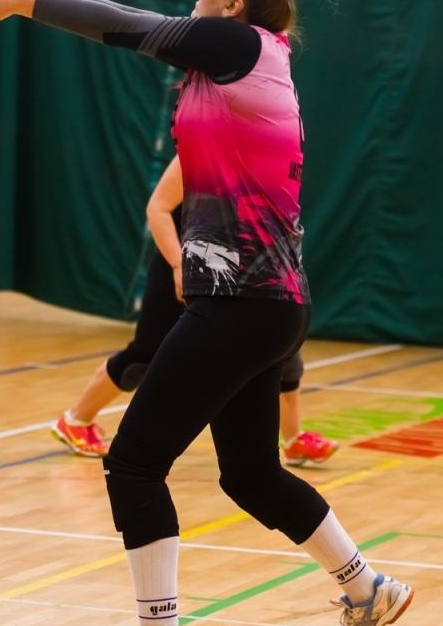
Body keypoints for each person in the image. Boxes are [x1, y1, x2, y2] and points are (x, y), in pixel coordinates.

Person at [0, 0, 412, 626]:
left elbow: (123, 24)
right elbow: (130, 20)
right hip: (269, 303)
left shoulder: (235, 44)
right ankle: (367, 589)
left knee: (133, 463)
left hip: (243, 303)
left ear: (234, 4)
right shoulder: (247, 57)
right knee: (252, 474)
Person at [53, 155, 340, 468]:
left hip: (237, 265)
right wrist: (179, 266)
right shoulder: (199, 148)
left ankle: (293, 439)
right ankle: (77, 420)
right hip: (184, 263)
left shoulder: (263, 148)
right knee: (147, 354)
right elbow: (158, 209)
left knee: (279, 349)